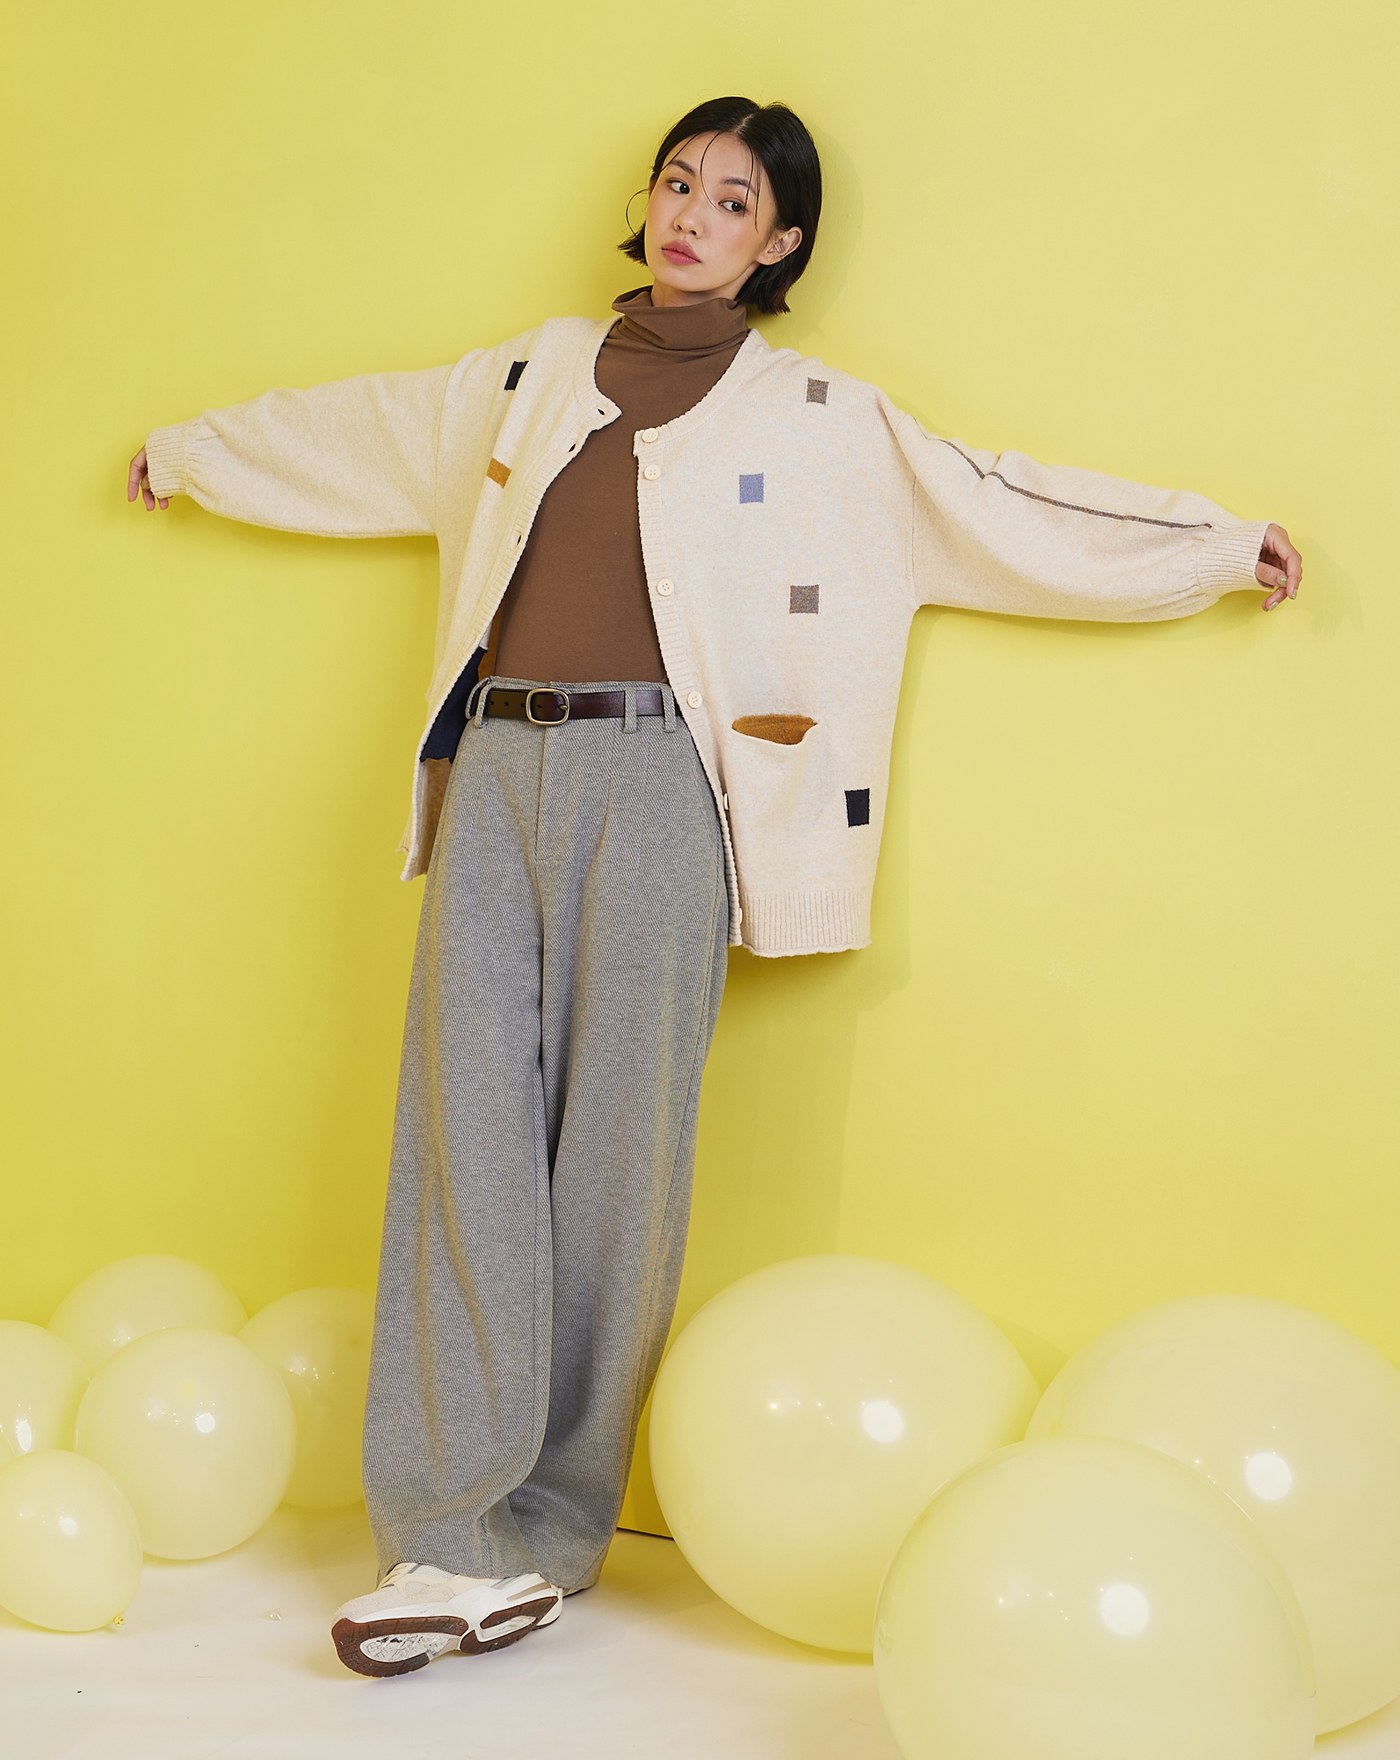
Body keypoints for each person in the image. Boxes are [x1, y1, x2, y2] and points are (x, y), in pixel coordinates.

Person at [127, 94, 1302, 1680]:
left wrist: (1210, 548)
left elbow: (995, 501)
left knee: (618, 1161)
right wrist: (191, 456)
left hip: (667, 789)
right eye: (678, 183)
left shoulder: (820, 417)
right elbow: (359, 430)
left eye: (733, 200)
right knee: (462, 1141)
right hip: (496, 770)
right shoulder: (529, 374)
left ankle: (547, 1534)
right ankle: (448, 1530)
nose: (691, 215)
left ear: (780, 241)